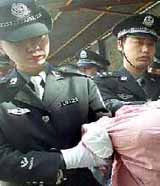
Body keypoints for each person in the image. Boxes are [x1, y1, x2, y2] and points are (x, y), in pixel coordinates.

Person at [0, 0, 113, 185]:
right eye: (19, 41)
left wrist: (104, 134)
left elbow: (105, 126)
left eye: (39, 36)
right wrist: (64, 160)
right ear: (1, 46)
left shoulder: (80, 84)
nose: (33, 46)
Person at [95, 13, 160, 114]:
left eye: (150, 44)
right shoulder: (102, 83)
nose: (145, 50)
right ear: (120, 45)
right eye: (138, 42)